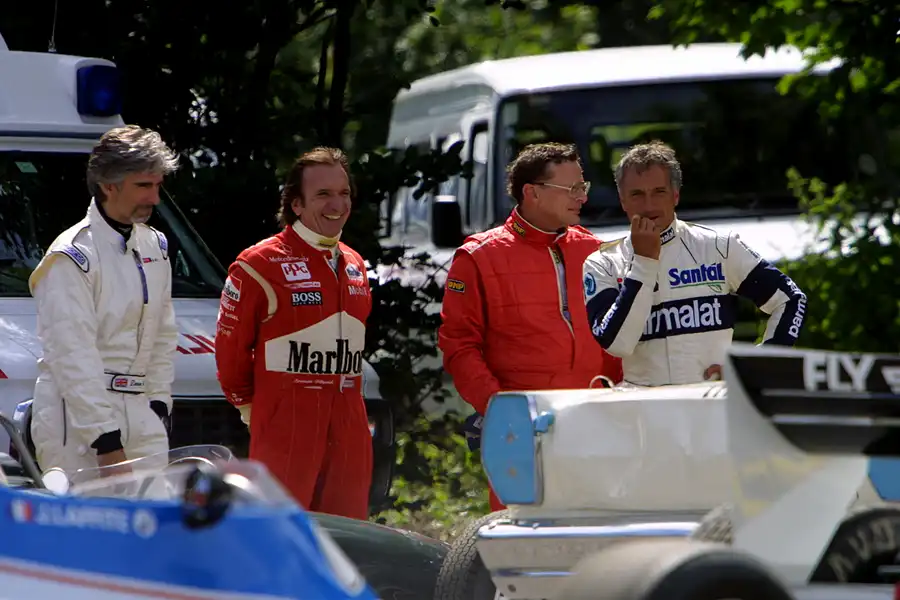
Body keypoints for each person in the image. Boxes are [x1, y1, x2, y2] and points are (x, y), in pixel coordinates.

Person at [439, 142, 624, 512]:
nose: (581, 198)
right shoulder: (479, 256)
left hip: (594, 420)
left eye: (582, 187)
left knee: (599, 534)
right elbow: (459, 346)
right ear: (532, 193)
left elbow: (617, 335)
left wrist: (622, 399)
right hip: (521, 429)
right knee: (523, 542)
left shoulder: (596, 251)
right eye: (571, 189)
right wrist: (500, 411)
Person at [215, 147, 372, 519]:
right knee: (280, 535)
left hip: (349, 420)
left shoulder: (355, 263)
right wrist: (252, 407)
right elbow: (230, 350)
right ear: (296, 205)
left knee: (348, 538)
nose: (338, 205)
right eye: (323, 195)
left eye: (344, 193)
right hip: (287, 424)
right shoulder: (259, 263)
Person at [583, 141, 807, 386]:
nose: (648, 206)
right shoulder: (602, 263)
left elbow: (791, 299)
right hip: (644, 411)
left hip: (708, 403)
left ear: (675, 195)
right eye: (637, 194)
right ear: (623, 200)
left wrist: (755, 368)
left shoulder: (719, 247)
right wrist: (644, 263)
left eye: (659, 192)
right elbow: (617, 344)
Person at [29, 125, 179, 476]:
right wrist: (106, 440)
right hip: (76, 424)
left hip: (141, 413)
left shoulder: (155, 245)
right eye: (144, 185)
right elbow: (71, 353)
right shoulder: (71, 256)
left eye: (158, 185)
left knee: (149, 524)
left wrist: (158, 405)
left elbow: (163, 333)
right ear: (108, 185)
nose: (154, 198)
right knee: (85, 527)